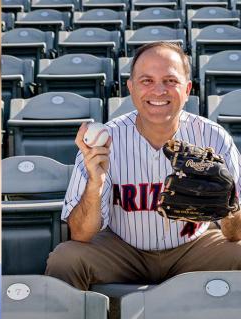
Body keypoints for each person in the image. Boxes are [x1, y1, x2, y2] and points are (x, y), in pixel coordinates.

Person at [45, 42, 241, 291]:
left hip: (194, 247)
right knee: (65, 259)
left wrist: (228, 206)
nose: (159, 91)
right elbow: (80, 234)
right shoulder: (106, 139)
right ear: (131, 87)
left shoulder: (214, 137)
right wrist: (96, 183)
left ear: (188, 88)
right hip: (124, 249)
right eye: (147, 80)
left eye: (170, 80)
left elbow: (235, 234)